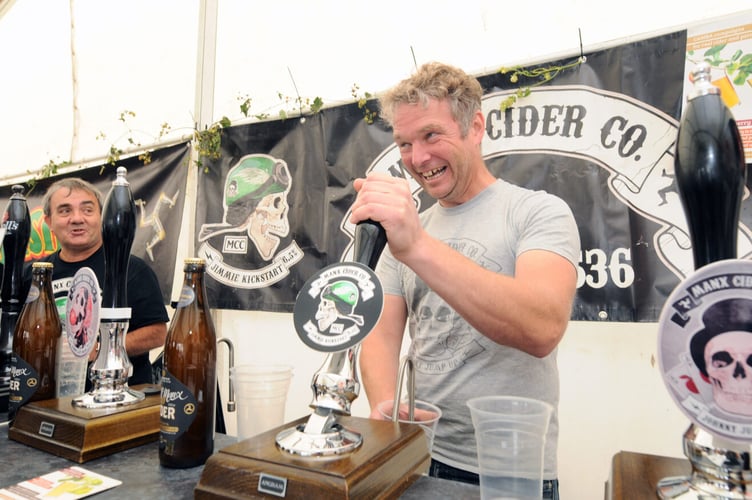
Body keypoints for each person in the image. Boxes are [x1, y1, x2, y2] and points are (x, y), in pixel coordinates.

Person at [350, 62, 580, 499]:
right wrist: (385, 410)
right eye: (404, 143)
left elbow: (541, 328)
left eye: (432, 135)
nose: (418, 158)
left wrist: (417, 245)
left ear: (475, 127)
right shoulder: (407, 230)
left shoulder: (537, 212)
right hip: (417, 455)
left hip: (507, 470)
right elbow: (379, 337)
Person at [26, 177, 168, 387]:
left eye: (87, 210)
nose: (77, 218)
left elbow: (157, 334)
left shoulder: (132, 268)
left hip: (116, 402)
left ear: (101, 216)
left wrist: (103, 347)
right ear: (49, 222)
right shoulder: (37, 274)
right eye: (65, 211)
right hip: (48, 397)